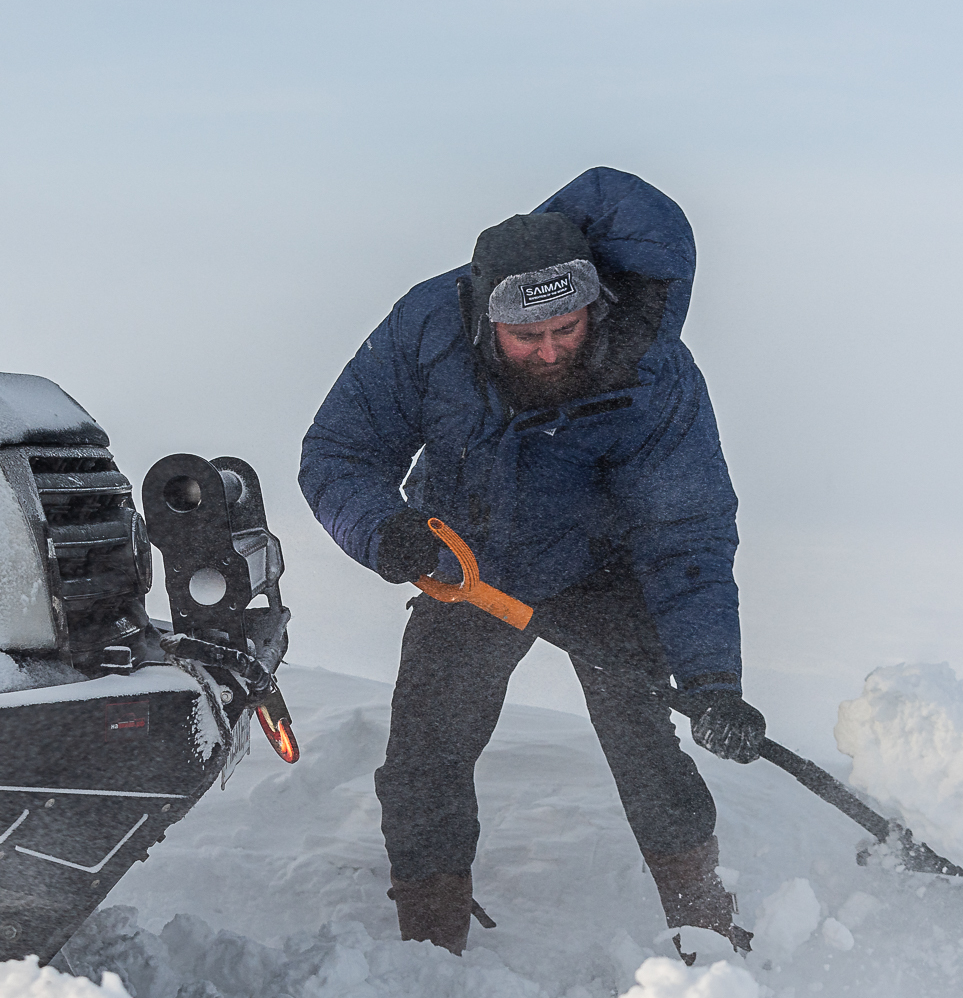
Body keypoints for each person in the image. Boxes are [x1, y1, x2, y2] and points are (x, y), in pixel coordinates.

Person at [299, 167, 767, 958]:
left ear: (596, 307)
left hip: (602, 566)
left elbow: (685, 534)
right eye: (527, 336)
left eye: (567, 329)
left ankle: (704, 925)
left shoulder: (654, 370)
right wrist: (387, 531)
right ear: (486, 322)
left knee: (643, 734)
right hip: (469, 563)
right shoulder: (427, 331)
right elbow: (338, 452)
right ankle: (430, 940)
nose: (550, 350)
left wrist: (715, 680)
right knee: (426, 749)